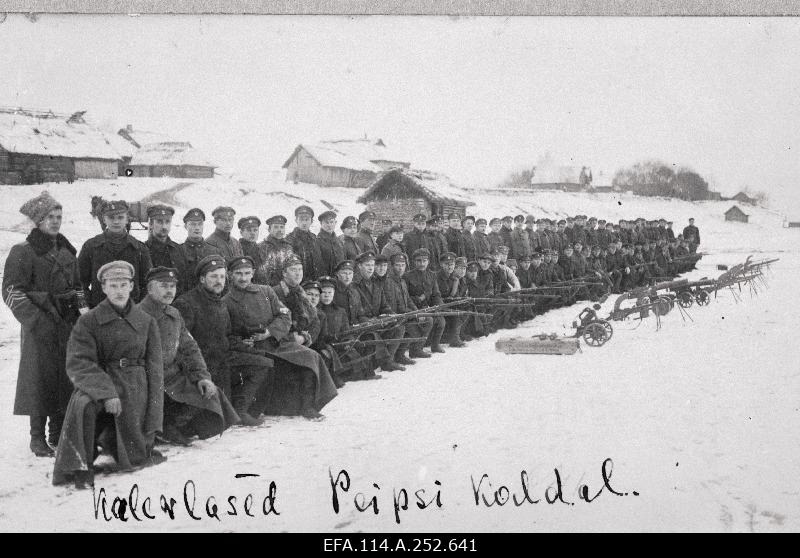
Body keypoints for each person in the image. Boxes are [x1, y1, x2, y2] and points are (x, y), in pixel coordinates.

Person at [52, 261, 164, 488]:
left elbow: (155, 367)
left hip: (135, 386)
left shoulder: (146, 321)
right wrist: (106, 393)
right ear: (103, 288)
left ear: (132, 286)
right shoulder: (88, 321)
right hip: (101, 380)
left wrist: (154, 419)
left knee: (134, 450)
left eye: (124, 284)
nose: (119, 290)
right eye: (113, 285)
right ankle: (81, 464)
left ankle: (118, 444)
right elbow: (79, 362)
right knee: (83, 404)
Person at [4, 192, 87, 456]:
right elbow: (11, 291)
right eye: (49, 217)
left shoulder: (66, 250)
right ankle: (37, 437)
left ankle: (58, 431)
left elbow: (77, 286)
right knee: (38, 379)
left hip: (67, 323)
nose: (55, 222)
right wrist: (36, 320)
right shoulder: (23, 251)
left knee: (65, 377)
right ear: (38, 221)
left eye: (59, 217)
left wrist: (82, 312)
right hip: (39, 324)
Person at [137, 267, 239, 446]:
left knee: (210, 393)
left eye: (172, 286)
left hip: (172, 377)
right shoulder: (137, 315)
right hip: (146, 380)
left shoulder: (174, 314)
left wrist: (202, 377)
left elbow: (190, 348)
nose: (170, 291)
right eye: (163, 286)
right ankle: (158, 427)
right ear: (150, 288)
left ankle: (170, 425)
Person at [174, 255, 270, 427]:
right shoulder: (187, 303)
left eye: (221, 277)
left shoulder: (220, 302)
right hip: (204, 365)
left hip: (224, 360)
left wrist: (251, 351)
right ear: (202, 279)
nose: (219, 281)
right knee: (212, 421)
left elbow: (227, 336)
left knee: (262, 362)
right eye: (213, 276)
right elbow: (181, 344)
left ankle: (240, 411)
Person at [253, 255, 338, 418]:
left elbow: (314, 319)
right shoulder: (274, 292)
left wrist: (305, 337)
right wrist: (293, 336)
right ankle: (307, 407)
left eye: (300, 270)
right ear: (284, 273)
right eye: (293, 270)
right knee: (311, 357)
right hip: (274, 343)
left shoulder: (300, 293)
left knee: (312, 356)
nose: (298, 273)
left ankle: (308, 406)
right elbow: (270, 321)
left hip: (291, 343)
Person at [78, 200, 152, 308]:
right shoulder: (91, 247)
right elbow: (79, 282)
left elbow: (148, 284)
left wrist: (138, 308)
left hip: (131, 313)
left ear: (127, 219)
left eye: (120, 217)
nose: (116, 222)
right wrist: (90, 306)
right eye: (111, 218)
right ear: (104, 219)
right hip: (100, 312)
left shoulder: (139, 249)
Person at [353, 251, 406, 371]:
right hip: (362, 324)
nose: (371, 268)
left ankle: (388, 361)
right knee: (375, 332)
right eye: (367, 265)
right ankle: (381, 361)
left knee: (399, 326)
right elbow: (357, 311)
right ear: (360, 266)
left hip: (376, 321)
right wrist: (372, 320)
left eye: (372, 265)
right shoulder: (354, 285)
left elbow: (384, 306)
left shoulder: (376, 283)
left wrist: (391, 315)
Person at [404, 248, 446, 353]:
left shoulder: (432, 275)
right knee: (429, 320)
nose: (422, 264)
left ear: (428, 261)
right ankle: (416, 349)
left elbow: (436, 294)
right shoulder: (407, 276)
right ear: (414, 262)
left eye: (424, 261)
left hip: (428, 307)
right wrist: (418, 301)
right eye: (419, 261)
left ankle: (435, 345)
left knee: (441, 321)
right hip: (413, 308)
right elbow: (405, 297)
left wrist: (438, 306)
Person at [145, 204, 188, 296]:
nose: (164, 226)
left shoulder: (179, 249)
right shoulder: (143, 250)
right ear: (151, 224)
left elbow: (184, 281)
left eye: (167, 222)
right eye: (160, 222)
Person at [179, 208, 217, 293]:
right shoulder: (179, 250)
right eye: (192, 224)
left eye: (200, 224)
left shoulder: (214, 251)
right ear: (185, 226)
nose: (197, 228)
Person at [286, 205, 324, 281]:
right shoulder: (290, 239)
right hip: (298, 282)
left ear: (311, 221)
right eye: (301, 219)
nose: (304, 223)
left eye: (307, 220)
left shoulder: (315, 239)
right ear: (296, 220)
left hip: (315, 281)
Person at [257, 215, 295, 286]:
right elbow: (261, 273)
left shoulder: (288, 247)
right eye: (276, 227)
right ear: (269, 229)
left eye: (282, 227)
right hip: (268, 288)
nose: (279, 230)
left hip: (286, 287)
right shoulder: (261, 247)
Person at [316, 210, 345, 277]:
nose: (329, 225)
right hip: (326, 280)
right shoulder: (317, 241)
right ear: (321, 224)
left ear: (335, 223)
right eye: (326, 222)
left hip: (340, 278)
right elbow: (318, 265)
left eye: (331, 222)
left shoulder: (339, 241)